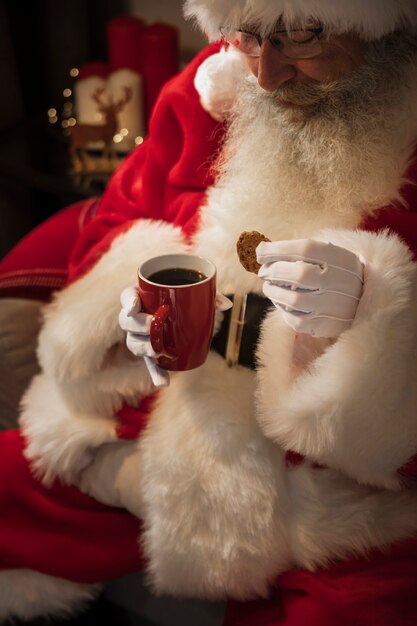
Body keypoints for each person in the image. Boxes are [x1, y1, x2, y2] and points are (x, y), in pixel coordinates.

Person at [1, 0, 417, 624]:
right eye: (249, 37)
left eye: (302, 35)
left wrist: (375, 323)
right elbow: (114, 220)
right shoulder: (206, 92)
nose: (267, 75)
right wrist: (126, 312)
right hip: (164, 422)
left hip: (328, 487)